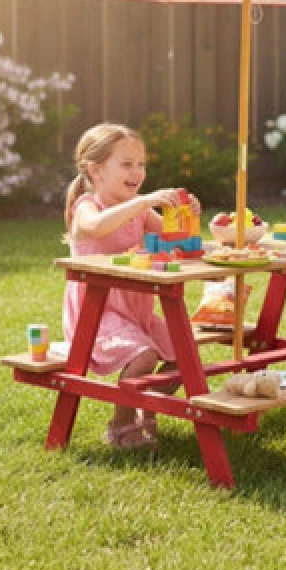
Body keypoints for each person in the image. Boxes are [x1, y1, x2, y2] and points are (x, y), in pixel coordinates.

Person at [63, 122, 201, 450]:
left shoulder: (139, 210)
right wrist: (143, 202)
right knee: (144, 356)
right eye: (126, 164)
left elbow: (175, 239)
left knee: (186, 354)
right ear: (95, 171)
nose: (137, 172)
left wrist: (186, 215)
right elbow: (95, 228)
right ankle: (120, 426)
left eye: (141, 165)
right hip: (96, 315)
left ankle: (147, 405)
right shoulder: (88, 206)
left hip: (137, 312)